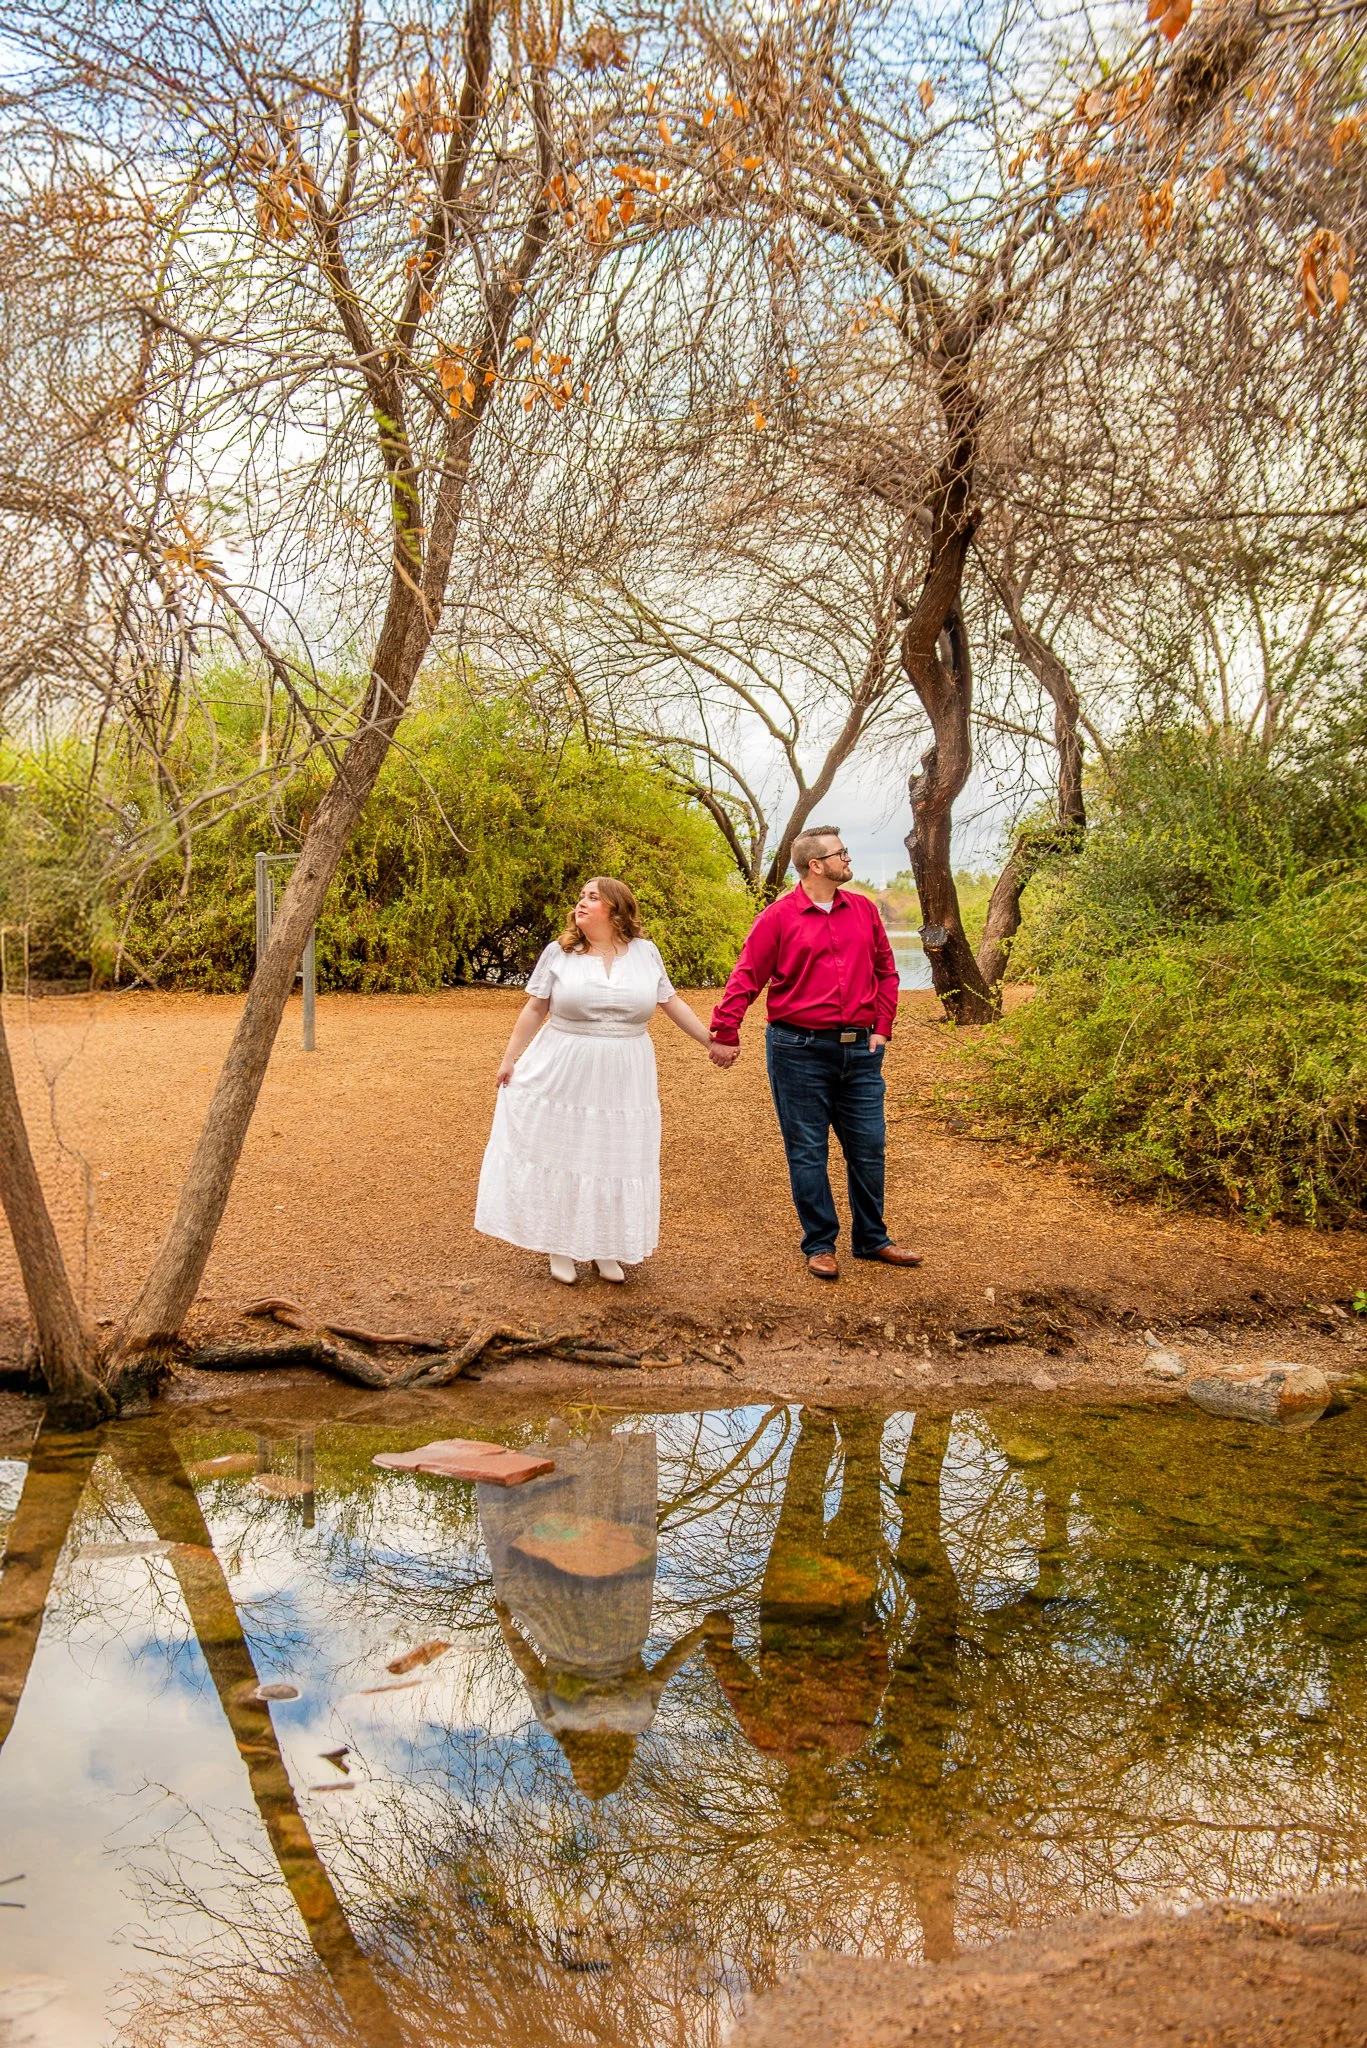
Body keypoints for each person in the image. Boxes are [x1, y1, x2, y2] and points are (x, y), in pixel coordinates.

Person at [475, 875, 714, 1284]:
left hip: (626, 1069)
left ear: (616, 910)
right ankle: (560, 1244)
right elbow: (535, 1008)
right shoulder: (560, 953)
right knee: (564, 1150)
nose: (581, 903)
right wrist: (510, 1058)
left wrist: (710, 1040)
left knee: (615, 1153)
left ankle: (606, 1246)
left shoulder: (645, 953)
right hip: (564, 1065)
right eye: (581, 897)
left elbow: (671, 1002)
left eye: (593, 897)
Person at [708, 825, 922, 1279]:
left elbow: (886, 971)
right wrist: (726, 1032)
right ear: (816, 865)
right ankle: (820, 1243)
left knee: (869, 1147)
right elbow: (746, 976)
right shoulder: (777, 918)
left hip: (861, 1052)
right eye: (841, 853)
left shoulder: (863, 910)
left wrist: (882, 1028)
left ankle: (872, 1239)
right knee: (808, 1151)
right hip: (797, 1050)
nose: (849, 859)